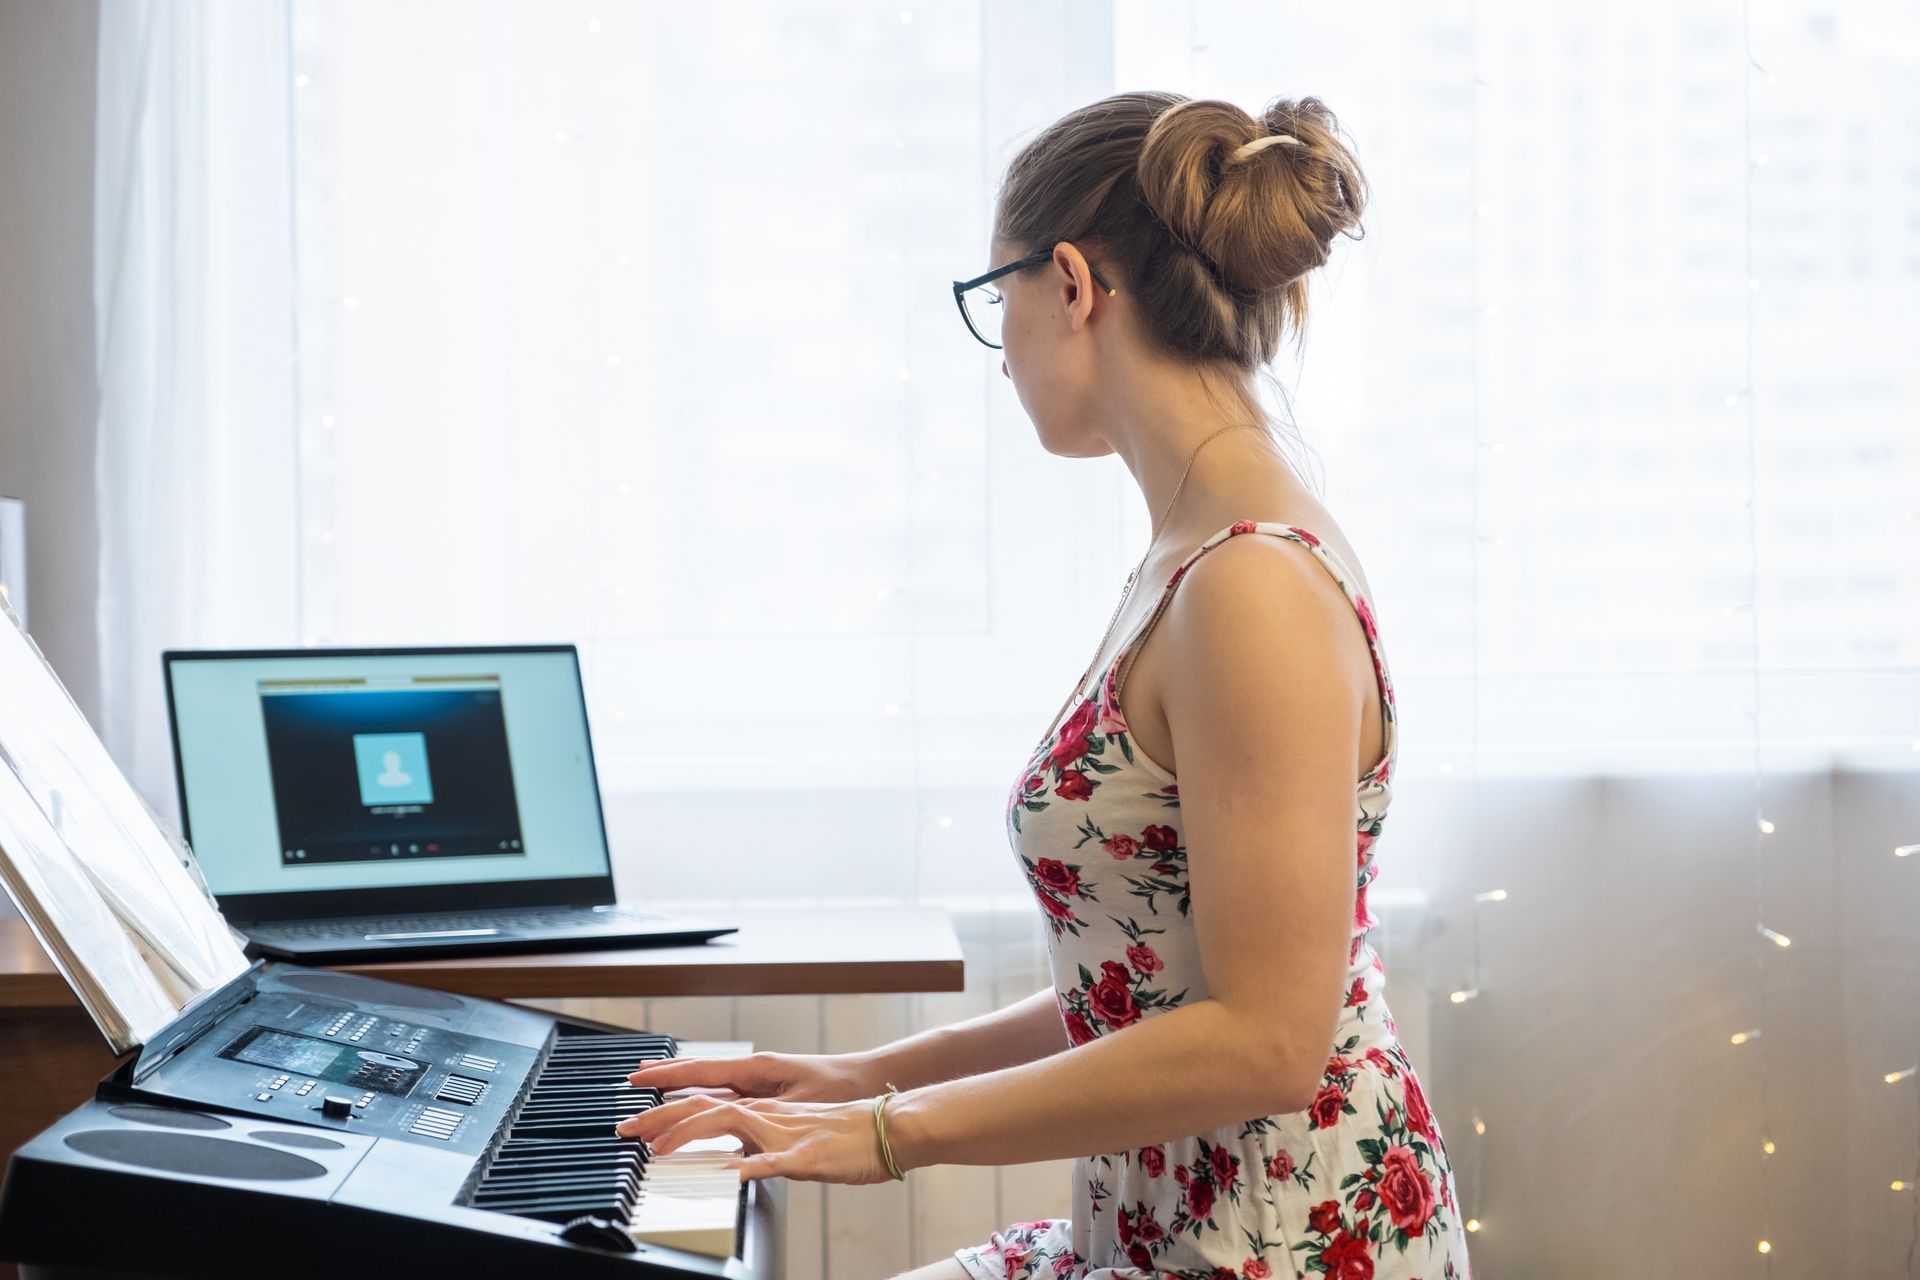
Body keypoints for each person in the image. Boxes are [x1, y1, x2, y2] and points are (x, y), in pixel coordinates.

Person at [617, 90, 1472, 1280]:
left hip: (1277, 1246)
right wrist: (869, 1074)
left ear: (1070, 283)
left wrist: (883, 1135)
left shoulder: (1253, 586)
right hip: (1163, 1225)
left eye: (996, 299)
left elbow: (1269, 1037)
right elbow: (1148, 975)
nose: (1003, 344)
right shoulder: (1190, 555)